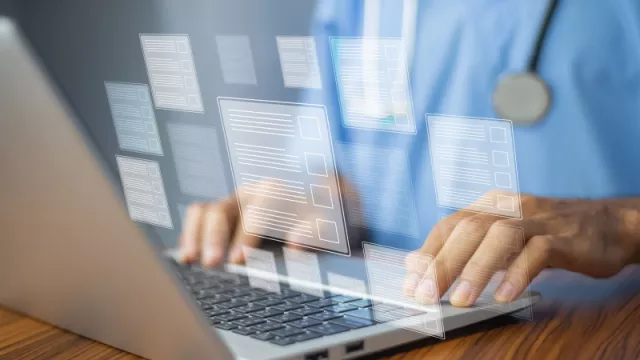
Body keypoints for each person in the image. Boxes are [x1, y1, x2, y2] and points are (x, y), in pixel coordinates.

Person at [179, 0, 640, 308]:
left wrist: (619, 223)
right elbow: (347, 168)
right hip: (403, 313)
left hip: (587, 327)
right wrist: (317, 209)